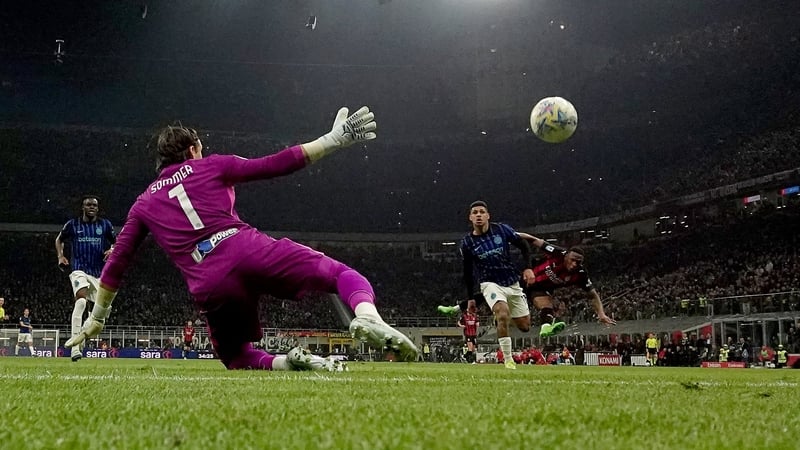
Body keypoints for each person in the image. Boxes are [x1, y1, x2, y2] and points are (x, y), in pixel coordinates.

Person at [66, 106, 419, 370]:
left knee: (235, 356)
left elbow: (118, 262)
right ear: (193, 149)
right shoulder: (212, 165)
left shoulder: (143, 203)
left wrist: (99, 317)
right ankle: (368, 316)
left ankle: (288, 363)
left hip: (208, 280)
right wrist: (332, 140)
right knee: (342, 275)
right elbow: (275, 164)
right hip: (245, 248)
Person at [441, 201, 533, 370]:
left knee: (525, 326)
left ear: (488, 215)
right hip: (490, 283)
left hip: (512, 282)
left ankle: (501, 317)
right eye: (475, 212)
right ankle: (508, 360)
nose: (478, 215)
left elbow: (524, 245)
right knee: (502, 314)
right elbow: (468, 272)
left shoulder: (501, 230)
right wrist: (470, 298)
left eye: (482, 212)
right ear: (470, 218)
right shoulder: (467, 243)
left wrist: (528, 267)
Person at [515, 232, 615, 337]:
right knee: (515, 320)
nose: (574, 264)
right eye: (573, 260)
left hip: (540, 289)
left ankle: (546, 327)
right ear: (566, 255)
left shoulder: (580, 274)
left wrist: (601, 313)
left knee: (545, 308)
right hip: (525, 278)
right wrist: (512, 233)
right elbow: (534, 240)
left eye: (578, 262)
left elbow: (593, 295)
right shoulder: (557, 252)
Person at [55, 195, 116, 362]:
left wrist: (112, 249)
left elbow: (117, 241)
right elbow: (59, 239)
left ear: (98, 208)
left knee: (99, 314)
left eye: (94, 205)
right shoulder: (72, 225)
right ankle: (75, 348)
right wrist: (60, 256)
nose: (92, 208)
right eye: (88, 205)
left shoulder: (105, 225)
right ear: (83, 207)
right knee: (81, 301)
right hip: (79, 270)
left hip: (98, 274)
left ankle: (81, 337)